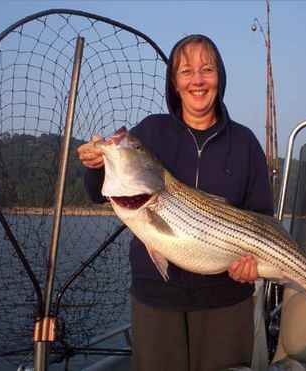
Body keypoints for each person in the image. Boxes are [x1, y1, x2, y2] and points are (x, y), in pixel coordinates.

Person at [77, 34, 273, 371]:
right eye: (186, 72)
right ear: (174, 83)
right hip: (156, 300)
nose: (197, 80)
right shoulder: (152, 131)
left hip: (226, 300)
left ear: (219, 78)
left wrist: (252, 266)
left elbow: (261, 216)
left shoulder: (244, 142)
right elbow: (98, 192)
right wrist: (96, 165)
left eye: (207, 70)